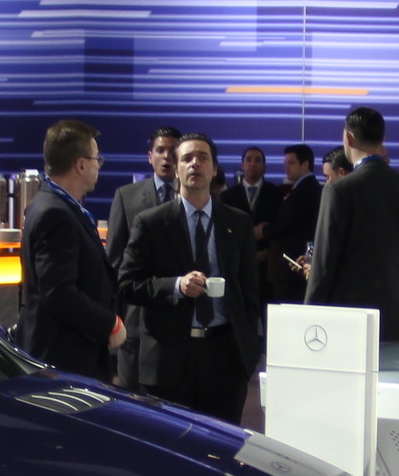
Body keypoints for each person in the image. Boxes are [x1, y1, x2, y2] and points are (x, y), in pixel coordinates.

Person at [118, 133, 263, 421]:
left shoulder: (238, 222)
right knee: (170, 450)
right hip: (170, 357)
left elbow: (250, 290)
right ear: (177, 168)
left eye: (202, 157)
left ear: (214, 169)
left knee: (224, 447)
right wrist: (176, 286)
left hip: (225, 356)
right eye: (186, 158)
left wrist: (248, 349)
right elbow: (127, 284)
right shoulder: (152, 222)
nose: (195, 163)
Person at [305, 106, 399, 343]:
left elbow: (323, 265)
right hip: (398, 321)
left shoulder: (338, 190)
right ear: (382, 139)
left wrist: (310, 320)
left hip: (348, 325)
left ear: (348, 137)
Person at [17, 119, 124, 381]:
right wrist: (109, 324)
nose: (99, 165)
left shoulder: (54, 205)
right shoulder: (55, 212)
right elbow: (58, 292)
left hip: (68, 356)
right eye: (97, 158)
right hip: (64, 360)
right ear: (80, 164)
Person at [104, 125, 181, 389]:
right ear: (150, 156)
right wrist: (114, 318)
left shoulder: (195, 197)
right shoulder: (127, 197)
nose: (167, 157)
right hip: (136, 319)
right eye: (161, 150)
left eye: (173, 151)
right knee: (132, 400)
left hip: (181, 319)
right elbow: (113, 263)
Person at [268, 143, 322, 297]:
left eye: (291, 163)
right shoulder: (301, 187)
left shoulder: (306, 189)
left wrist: (262, 231)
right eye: (285, 163)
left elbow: (286, 222)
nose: (286, 167)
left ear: (305, 164)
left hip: (295, 265)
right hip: (294, 266)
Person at [219, 146, 281, 238]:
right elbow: (225, 227)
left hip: (267, 249)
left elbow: (279, 224)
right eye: (248, 160)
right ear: (242, 165)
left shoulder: (276, 193)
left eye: (257, 160)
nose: (252, 164)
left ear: (264, 167)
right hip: (238, 249)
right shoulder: (228, 195)